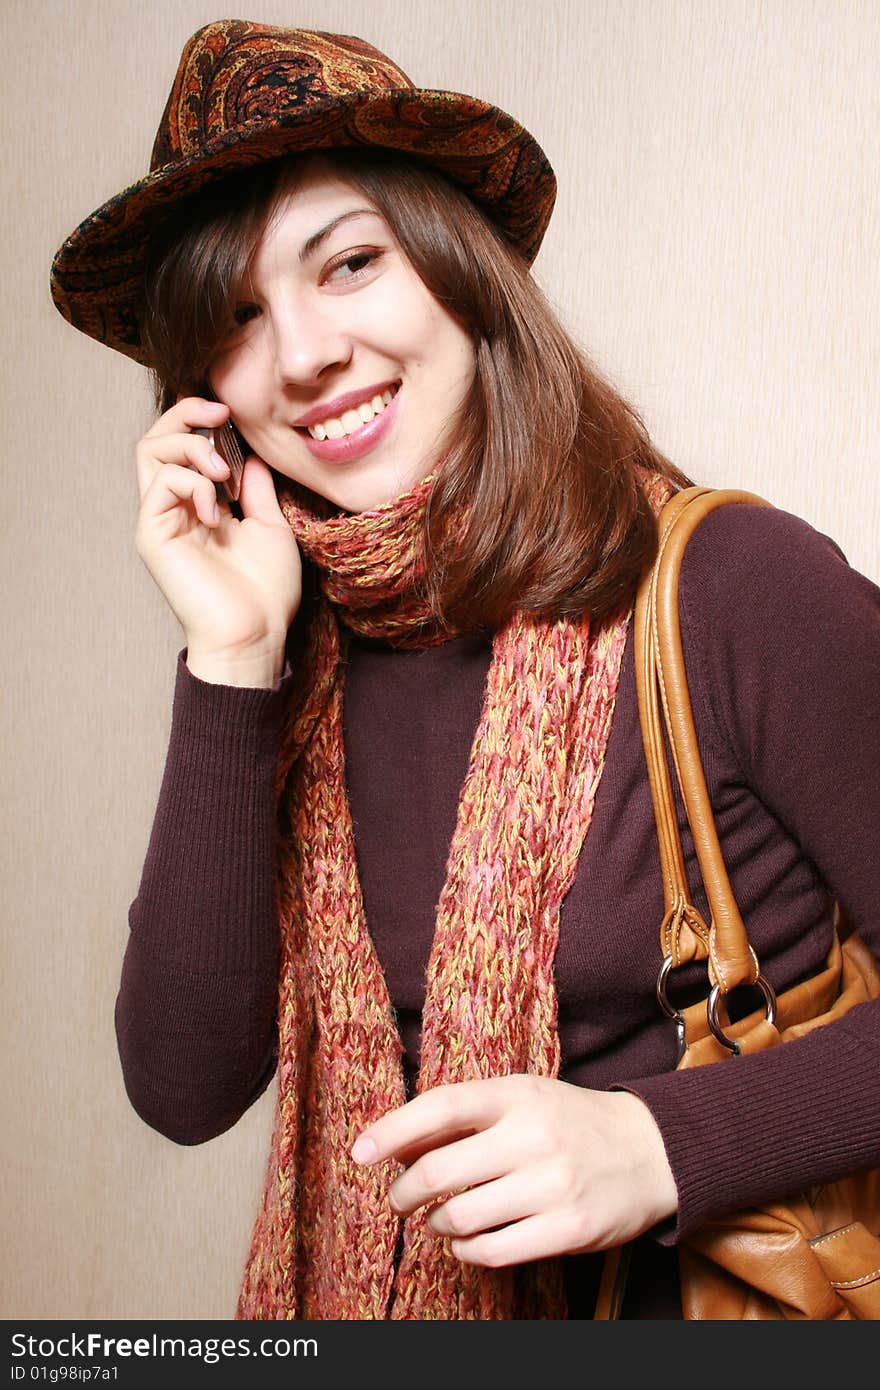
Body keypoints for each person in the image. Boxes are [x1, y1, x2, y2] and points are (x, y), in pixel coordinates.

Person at [50, 20, 880, 1321]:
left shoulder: (730, 586)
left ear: (462, 273)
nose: (306, 352)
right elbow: (184, 1083)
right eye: (237, 317)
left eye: (353, 263)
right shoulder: (299, 666)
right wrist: (229, 656)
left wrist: (660, 1144)